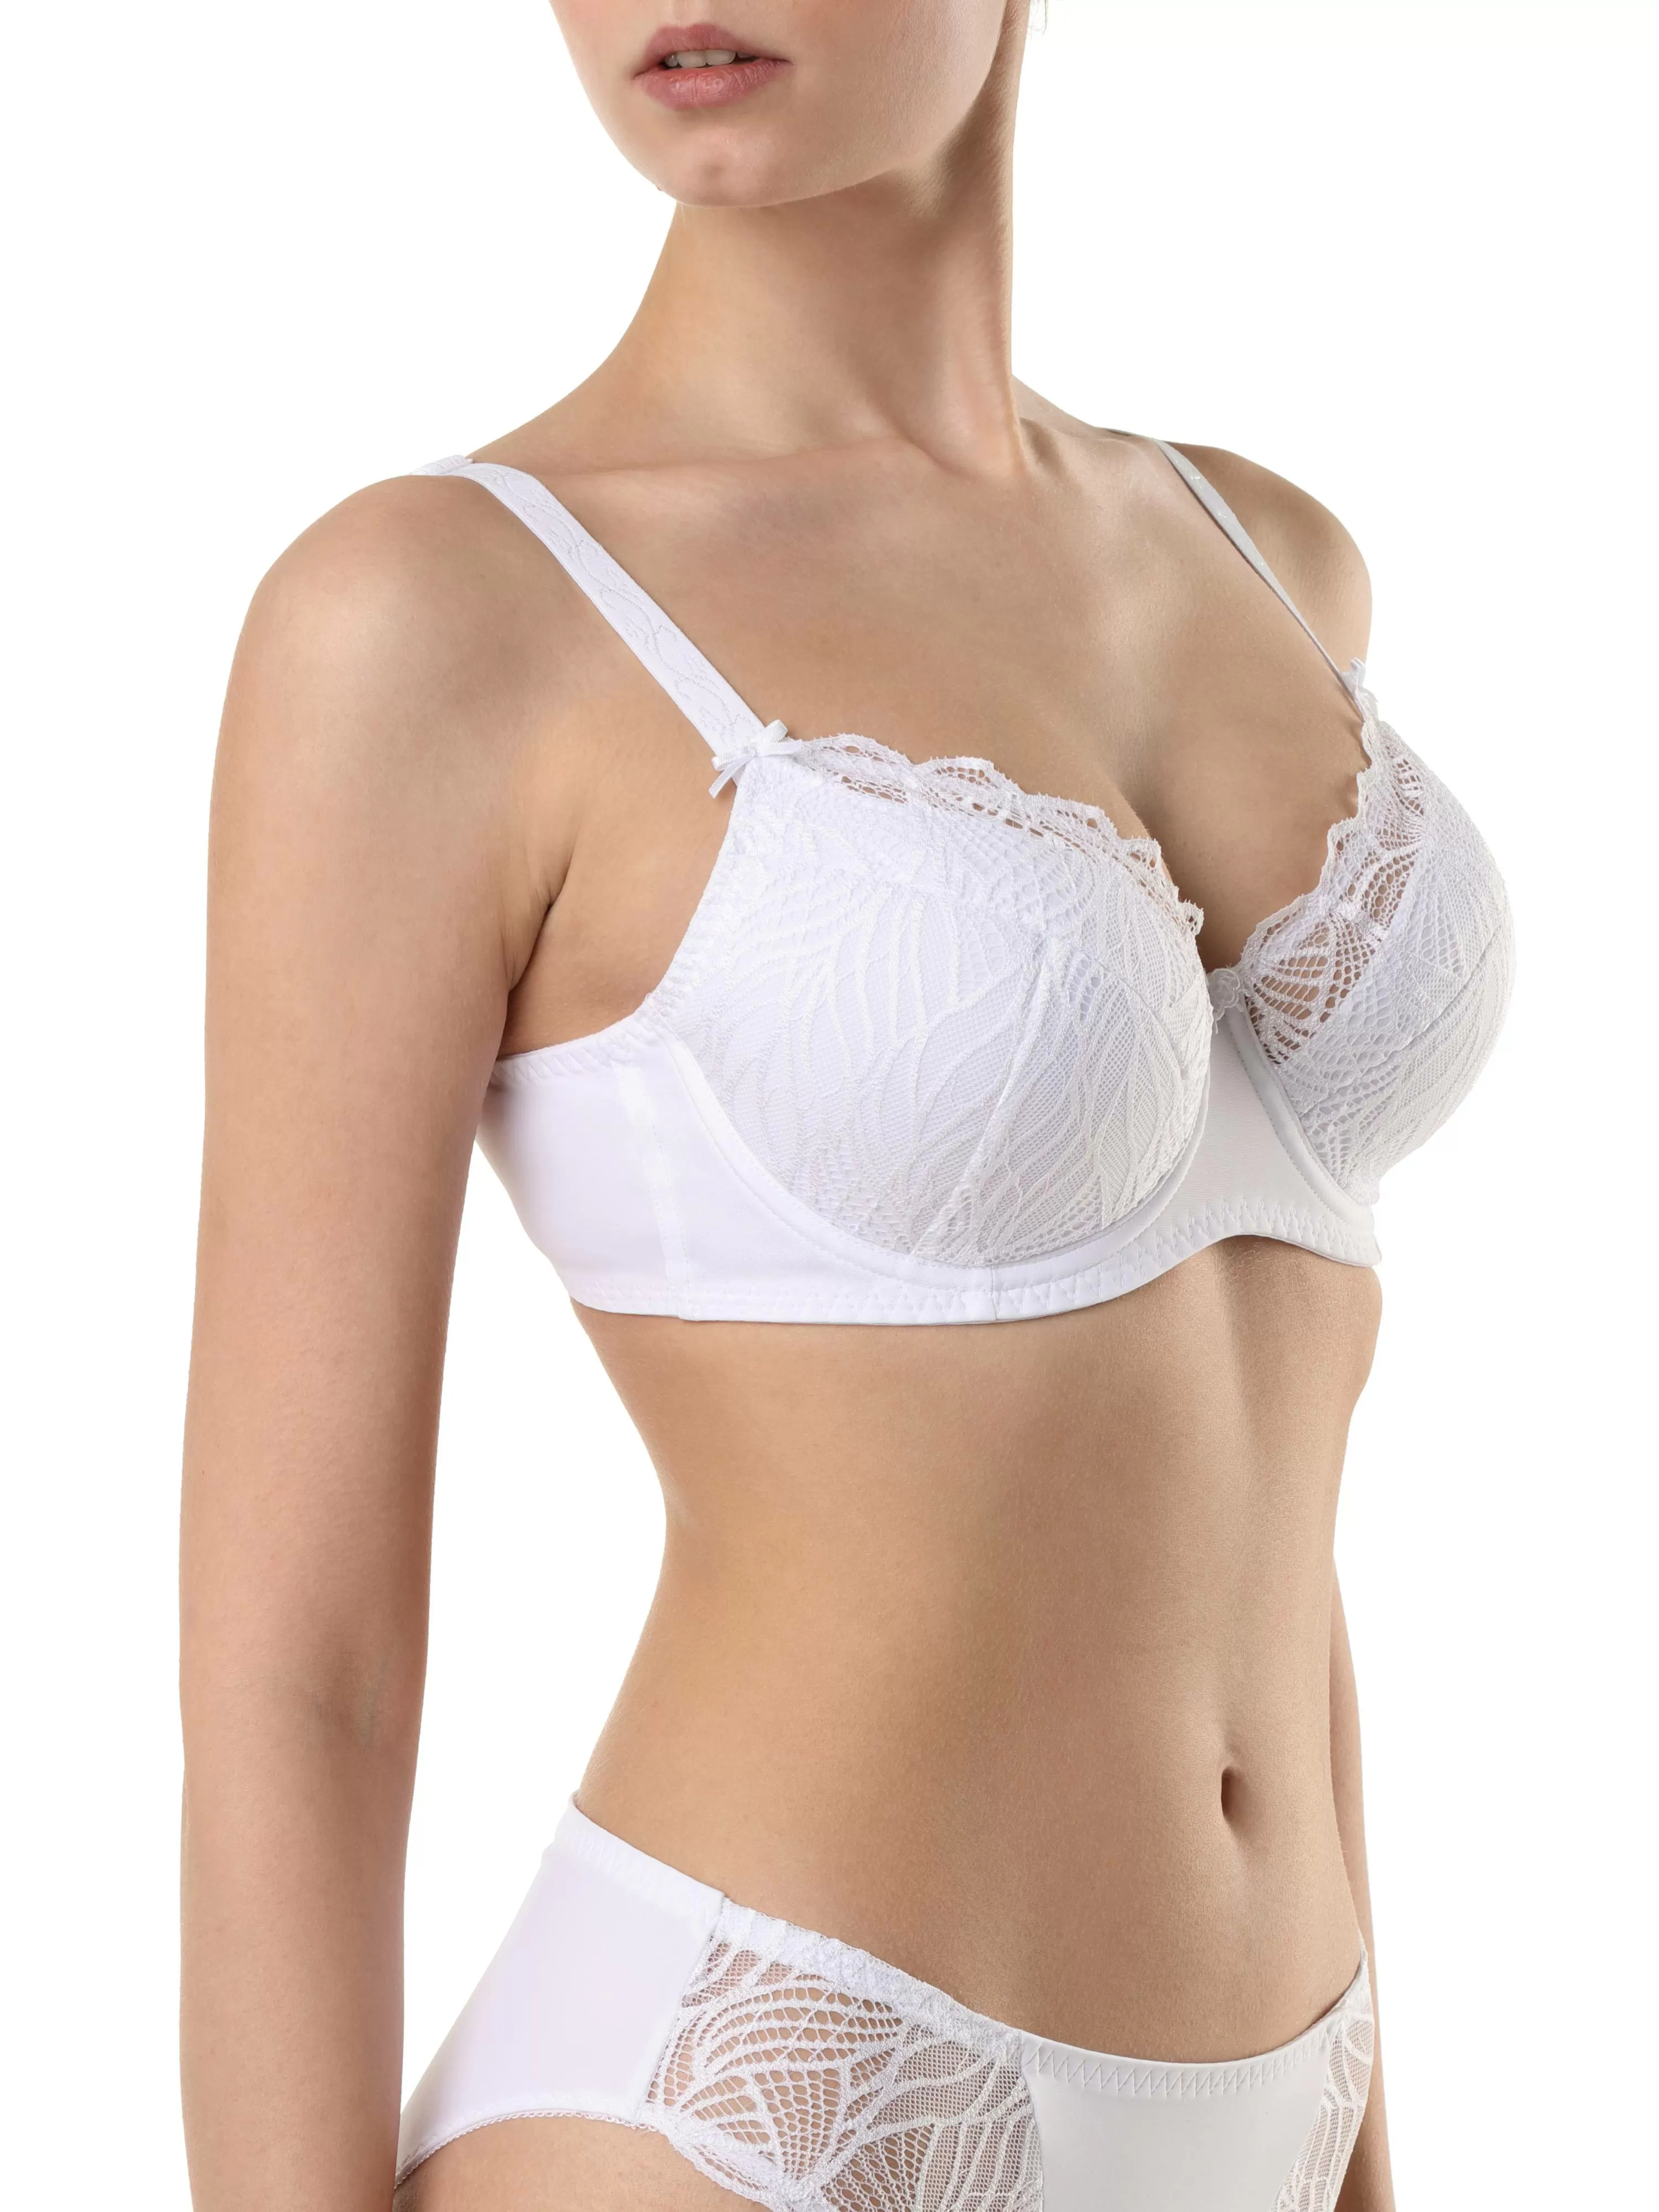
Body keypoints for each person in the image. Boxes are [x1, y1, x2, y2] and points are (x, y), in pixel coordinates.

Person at [179, 6, 1514, 2208]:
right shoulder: (438, 617)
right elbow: (295, 1671)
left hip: (1285, 2092)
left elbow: (1238, 1441)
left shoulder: (1264, 553)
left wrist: (1364, 2159)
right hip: (752, 2096)